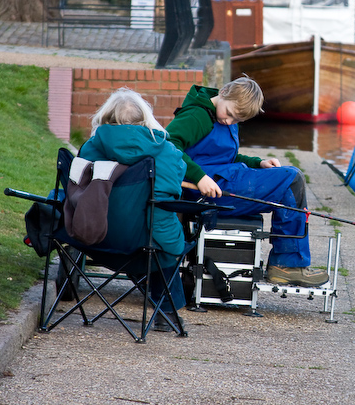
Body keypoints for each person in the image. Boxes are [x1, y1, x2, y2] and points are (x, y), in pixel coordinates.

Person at [166, 77, 330, 287]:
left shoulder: (222, 115)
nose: (229, 122)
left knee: (290, 177)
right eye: (230, 114)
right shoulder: (197, 115)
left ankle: (287, 264)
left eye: (236, 121)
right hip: (206, 193)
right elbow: (169, 145)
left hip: (222, 182)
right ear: (224, 92)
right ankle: (287, 265)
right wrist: (199, 177)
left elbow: (225, 157)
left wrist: (258, 163)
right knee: (291, 179)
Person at [78, 87, 188, 331]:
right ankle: (166, 311)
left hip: (93, 240)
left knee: (149, 234)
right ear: (145, 119)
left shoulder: (90, 148)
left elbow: (77, 194)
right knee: (162, 240)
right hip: (143, 246)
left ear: (106, 118)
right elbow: (166, 204)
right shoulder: (167, 152)